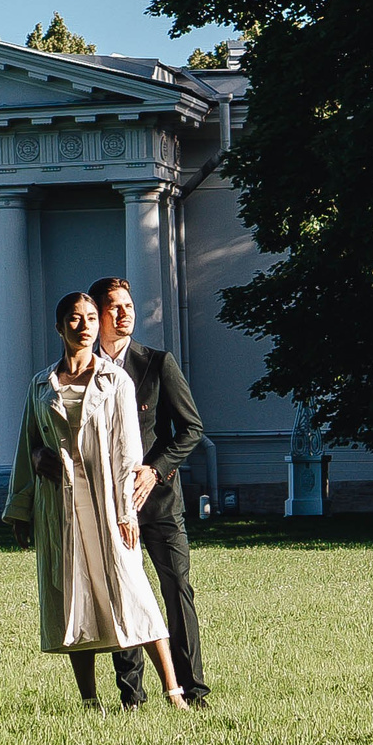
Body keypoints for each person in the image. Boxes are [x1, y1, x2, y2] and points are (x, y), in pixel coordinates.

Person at [4, 290, 190, 708]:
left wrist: (127, 512)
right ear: (59, 327)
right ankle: (90, 701)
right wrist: (21, 509)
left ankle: (173, 692)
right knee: (75, 597)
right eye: (74, 318)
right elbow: (27, 445)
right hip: (61, 505)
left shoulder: (115, 380)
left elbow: (128, 451)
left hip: (108, 503)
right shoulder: (40, 384)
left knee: (133, 592)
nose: (84, 325)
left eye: (90, 317)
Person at [90, 276, 211, 709]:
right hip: (107, 505)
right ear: (97, 314)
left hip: (158, 502)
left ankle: (194, 692)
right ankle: (131, 697)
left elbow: (191, 429)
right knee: (124, 597)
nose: (125, 315)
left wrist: (155, 471)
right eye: (114, 308)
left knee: (177, 589)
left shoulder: (158, 363)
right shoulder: (84, 370)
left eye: (129, 306)